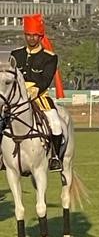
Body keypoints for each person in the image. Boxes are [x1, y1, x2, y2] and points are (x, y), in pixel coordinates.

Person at [10, 14, 64, 171]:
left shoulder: (50, 57)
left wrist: (33, 90)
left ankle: (55, 157)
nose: (31, 38)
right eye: (28, 35)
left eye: (34, 35)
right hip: (16, 97)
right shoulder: (16, 54)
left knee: (55, 122)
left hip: (39, 96)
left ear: (40, 36)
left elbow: (46, 79)